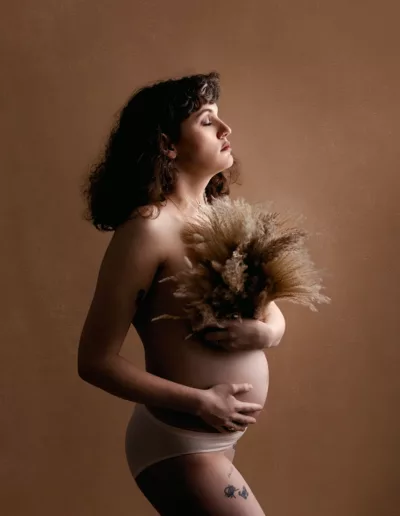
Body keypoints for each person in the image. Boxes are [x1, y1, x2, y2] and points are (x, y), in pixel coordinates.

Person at [78, 72, 286, 515]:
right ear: (168, 145)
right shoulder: (147, 230)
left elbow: (273, 313)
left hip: (216, 441)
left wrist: (266, 335)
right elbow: (95, 361)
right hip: (181, 441)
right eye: (207, 120)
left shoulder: (222, 218)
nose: (225, 129)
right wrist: (202, 402)